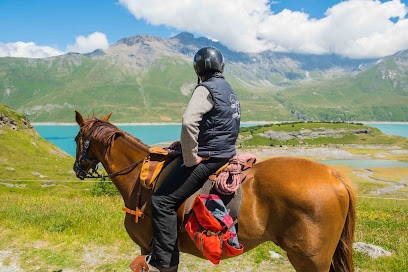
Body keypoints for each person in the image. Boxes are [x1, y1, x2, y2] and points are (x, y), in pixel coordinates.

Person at [139, 47, 241, 272]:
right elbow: (218, 125)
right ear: (221, 67)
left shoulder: (205, 88)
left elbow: (189, 122)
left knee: (162, 202)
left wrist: (190, 156)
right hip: (227, 153)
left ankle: (163, 264)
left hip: (209, 158)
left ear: (198, 69)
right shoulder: (229, 90)